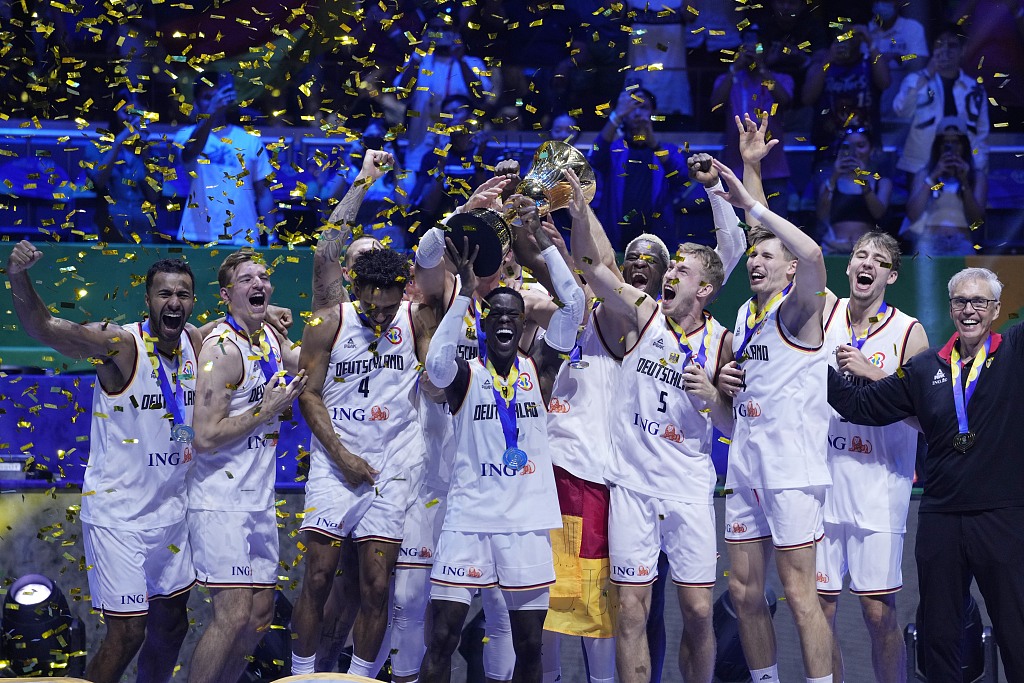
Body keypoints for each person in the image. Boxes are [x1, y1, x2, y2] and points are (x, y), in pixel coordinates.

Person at [570, 161, 739, 683]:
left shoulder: (723, 341)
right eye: (671, 268)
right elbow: (595, 268)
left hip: (687, 489)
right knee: (633, 611)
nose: (669, 274)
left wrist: (713, 396)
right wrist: (578, 205)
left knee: (699, 611)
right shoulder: (644, 314)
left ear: (706, 289)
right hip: (633, 487)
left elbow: (733, 427)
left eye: (681, 271)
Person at [6, 241, 200, 683]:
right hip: (120, 517)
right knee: (128, 632)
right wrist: (19, 276)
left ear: (193, 302)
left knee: (173, 623)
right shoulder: (119, 344)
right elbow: (46, 328)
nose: (173, 302)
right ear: (148, 299)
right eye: (164, 294)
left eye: (182, 294)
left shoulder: (195, 341)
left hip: (171, 514)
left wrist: (271, 315)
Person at [827, 267, 1024, 681]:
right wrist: (805, 361)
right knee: (938, 635)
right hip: (940, 517)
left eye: (979, 302)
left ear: (996, 310)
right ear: (950, 306)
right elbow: (861, 405)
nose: (969, 310)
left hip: (1002, 516)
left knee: (1016, 630)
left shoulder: (1015, 351)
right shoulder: (924, 368)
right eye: (960, 301)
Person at [419, 196, 586, 683]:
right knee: (443, 637)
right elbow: (434, 366)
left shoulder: (542, 370)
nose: (508, 321)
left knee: (530, 645)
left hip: (527, 523)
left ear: (525, 325)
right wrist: (464, 297)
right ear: (486, 325)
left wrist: (540, 244)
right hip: (468, 520)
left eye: (515, 316)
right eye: (498, 316)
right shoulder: (465, 376)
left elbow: (574, 303)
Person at [714, 156, 835, 683]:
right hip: (745, 465)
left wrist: (751, 200)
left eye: (768, 256)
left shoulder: (803, 309)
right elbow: (762, 231)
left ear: (790, 272)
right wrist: (749, 166)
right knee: (742, 591)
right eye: (752, 255)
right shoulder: (745, 314)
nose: (756, 261)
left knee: (800, 593)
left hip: (790, 470)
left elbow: (808, 249)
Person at [289, 246, 435, 676]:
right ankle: (301, 677)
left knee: (375, 586)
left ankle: (359, 680)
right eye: (374, 306)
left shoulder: (416, 318)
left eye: (390, 306)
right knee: (318, 577)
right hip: (337, 464)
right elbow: (309, 394)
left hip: (392, 467)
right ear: (356, 289)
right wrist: (342, 454)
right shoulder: (328, 322)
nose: (382, 315)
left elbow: (436, 373)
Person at [188, 250, 306, 683]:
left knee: (259, 614)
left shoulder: (269, 338)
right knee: (233, 613)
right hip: (220, 501)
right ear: (226, 294)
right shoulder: (221, 350)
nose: (258, 283)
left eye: (263, 277)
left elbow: (308, 366)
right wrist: (265, 408)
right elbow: (203, 437)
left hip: (257, 499)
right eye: (245, 279)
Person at [817, 232, 928, 682]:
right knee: (817, 609)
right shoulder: (824, 312)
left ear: (891, 275)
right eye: (860, 255)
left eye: (879, 260)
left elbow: (928, 418)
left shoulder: (909, 330)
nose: (867, 264)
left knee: (878, 614)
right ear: (847, 267)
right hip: (823, 482)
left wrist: (877, 376)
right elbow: (785, 250)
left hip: (880, 487)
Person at [173, 73, 278, 245]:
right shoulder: (185, 135)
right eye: (208, 97)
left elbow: (264, 193)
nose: (214, 101)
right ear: (196, 103)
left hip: (243, 236)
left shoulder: (250, 140)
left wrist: (272, 236)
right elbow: (190, 152)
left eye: (217, 96)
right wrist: (211, 112)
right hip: (197, 235)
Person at [588, 86, 687, 250]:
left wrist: (654, 144)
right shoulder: (614, 149)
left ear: (652, 112)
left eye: (643, 107)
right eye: (631, 107)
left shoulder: (667, 150)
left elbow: (681, 177)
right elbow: (595, 156)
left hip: (658, 240)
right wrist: (616, 116)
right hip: (616, 240)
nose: (637, 113)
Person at [710, 29, 794, 214]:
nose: (751, 52)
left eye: (757, 46)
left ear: (768, 50)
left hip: (773, 169)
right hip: (736, 169)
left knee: (777, 232)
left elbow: (785, 100)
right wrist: (734, 68)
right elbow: (715, 105)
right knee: (739, 229)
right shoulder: (728, 79)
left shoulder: (780, 79)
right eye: (746, 47)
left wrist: (762, 69)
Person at [892, 25, 990, 177]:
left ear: (962, 50)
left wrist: (979, 166)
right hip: (921, 165)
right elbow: (902, 112)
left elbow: (981, 132)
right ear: (932, 49)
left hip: (964, 164)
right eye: (939, 45)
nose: (945, 50)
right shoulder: (914, 80)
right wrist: (927, 75)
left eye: (952, 45)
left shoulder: (975, 88)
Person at [83, 88, 159, 243]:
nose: (132, 120)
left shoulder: (151, 152)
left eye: (137, 114)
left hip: (143, 230)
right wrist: (118, 143)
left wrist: (145, 155)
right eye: (127, 112)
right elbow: (98, 181)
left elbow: (154, 195)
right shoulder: (97, 147)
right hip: (109, 228)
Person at [904, 117, 986, 256]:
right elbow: (913, 214)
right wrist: (933, 177)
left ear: (964, 146)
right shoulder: (924, 174)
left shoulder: (976, 176)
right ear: (938, 146)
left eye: (955, 143)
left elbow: (977, 220)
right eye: (945, 143)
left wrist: (964, 181)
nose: (951, 148)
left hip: (962, 241)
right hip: (929, 241)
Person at [817, 126, 892, 254]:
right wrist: (834, 176)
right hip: (832, 247)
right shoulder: (829, 183)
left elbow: (878, 213)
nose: (854, 152)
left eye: (860, 145)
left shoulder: (882, 182)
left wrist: (862, 178)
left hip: (868, 250)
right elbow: (821, 215)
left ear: (871, 149)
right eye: (848, 146)